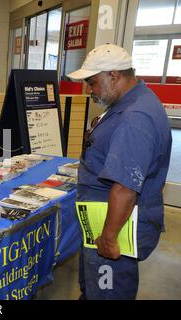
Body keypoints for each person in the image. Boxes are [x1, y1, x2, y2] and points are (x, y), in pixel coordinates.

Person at [67, 43, 172, 299]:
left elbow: (125, 188)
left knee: (108, 292)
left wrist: (109, 237)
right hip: (103, 218)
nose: (90, 91)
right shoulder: (129, 101)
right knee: (94, 290)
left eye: (92, 83)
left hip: (115, 225)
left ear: (114, 76)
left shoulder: (136, 118)